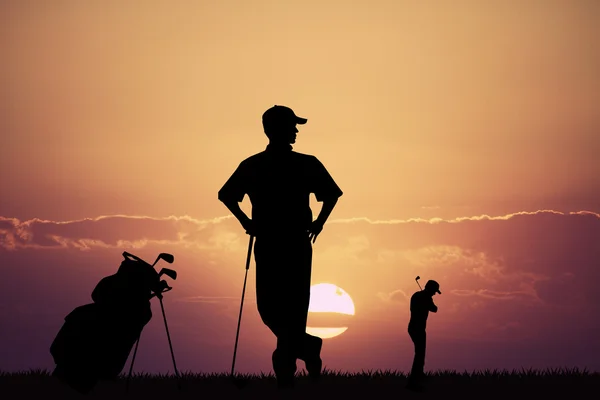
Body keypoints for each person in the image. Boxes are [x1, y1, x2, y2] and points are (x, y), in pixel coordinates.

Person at [218, 105, 343, 388]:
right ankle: (308, 347)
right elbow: (226, 195)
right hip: (275, 242)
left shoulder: (300, 162)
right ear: (276, 129)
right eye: (292, 126)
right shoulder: (257, 164)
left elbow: (332, 195)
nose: (296, 131)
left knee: (291, 309)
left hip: (292, 242)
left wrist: (319, 223)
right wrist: (246, 221)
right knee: (270, 309)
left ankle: (286, 375)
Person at [407, 280, 441, 391]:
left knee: (420, 353)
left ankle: (418, 375)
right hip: (417, 329)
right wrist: (428, 301)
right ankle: (415, 379)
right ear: (430, 289)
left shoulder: (417, 296)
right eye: (434, 291)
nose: (434, 293)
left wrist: (428, 300)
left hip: (414, 328)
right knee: (419, 353)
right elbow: (434, 309)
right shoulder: (423, 298)